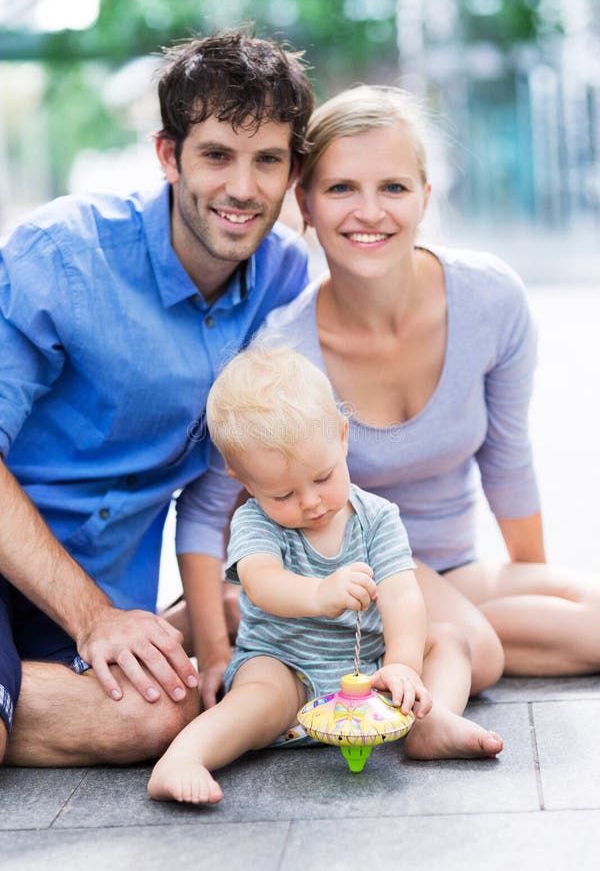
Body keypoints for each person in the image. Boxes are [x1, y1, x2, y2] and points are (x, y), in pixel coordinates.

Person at [177, 85, 600, 760]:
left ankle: (425, 641)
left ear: (426, 199)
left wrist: (532, 579)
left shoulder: (491, 298)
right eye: (342, 188)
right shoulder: (282, 350)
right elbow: (206, 511)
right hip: (350, 569)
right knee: (481, 653)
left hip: (452, 567)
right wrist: (215, 646)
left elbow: (509, 457)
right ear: (305, 206)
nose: (369, 212)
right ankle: (426, 676)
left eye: (394, 187)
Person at [0, 29, 314, 766]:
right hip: (39, 573)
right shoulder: (62, 256)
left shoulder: (283, 281)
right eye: (216, 155)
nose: (243, 187)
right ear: (169, 155)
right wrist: (95, 618)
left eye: (267, 159)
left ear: (292, 171)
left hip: (89, 592)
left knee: (156, 715)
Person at [149, 344, 467, 804]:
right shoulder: (255, 522)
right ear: (245, 481)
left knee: (448, 641)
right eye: (283, 494)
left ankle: (433, 723)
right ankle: (183, 758)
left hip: (371, 670)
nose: (311, 502)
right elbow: (262, 583)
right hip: (287, 666)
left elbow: (401, 594)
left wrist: (402, 664)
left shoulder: (377, 517)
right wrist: (321, 592)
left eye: (322, 478)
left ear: (342, 436)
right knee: (256, 694)